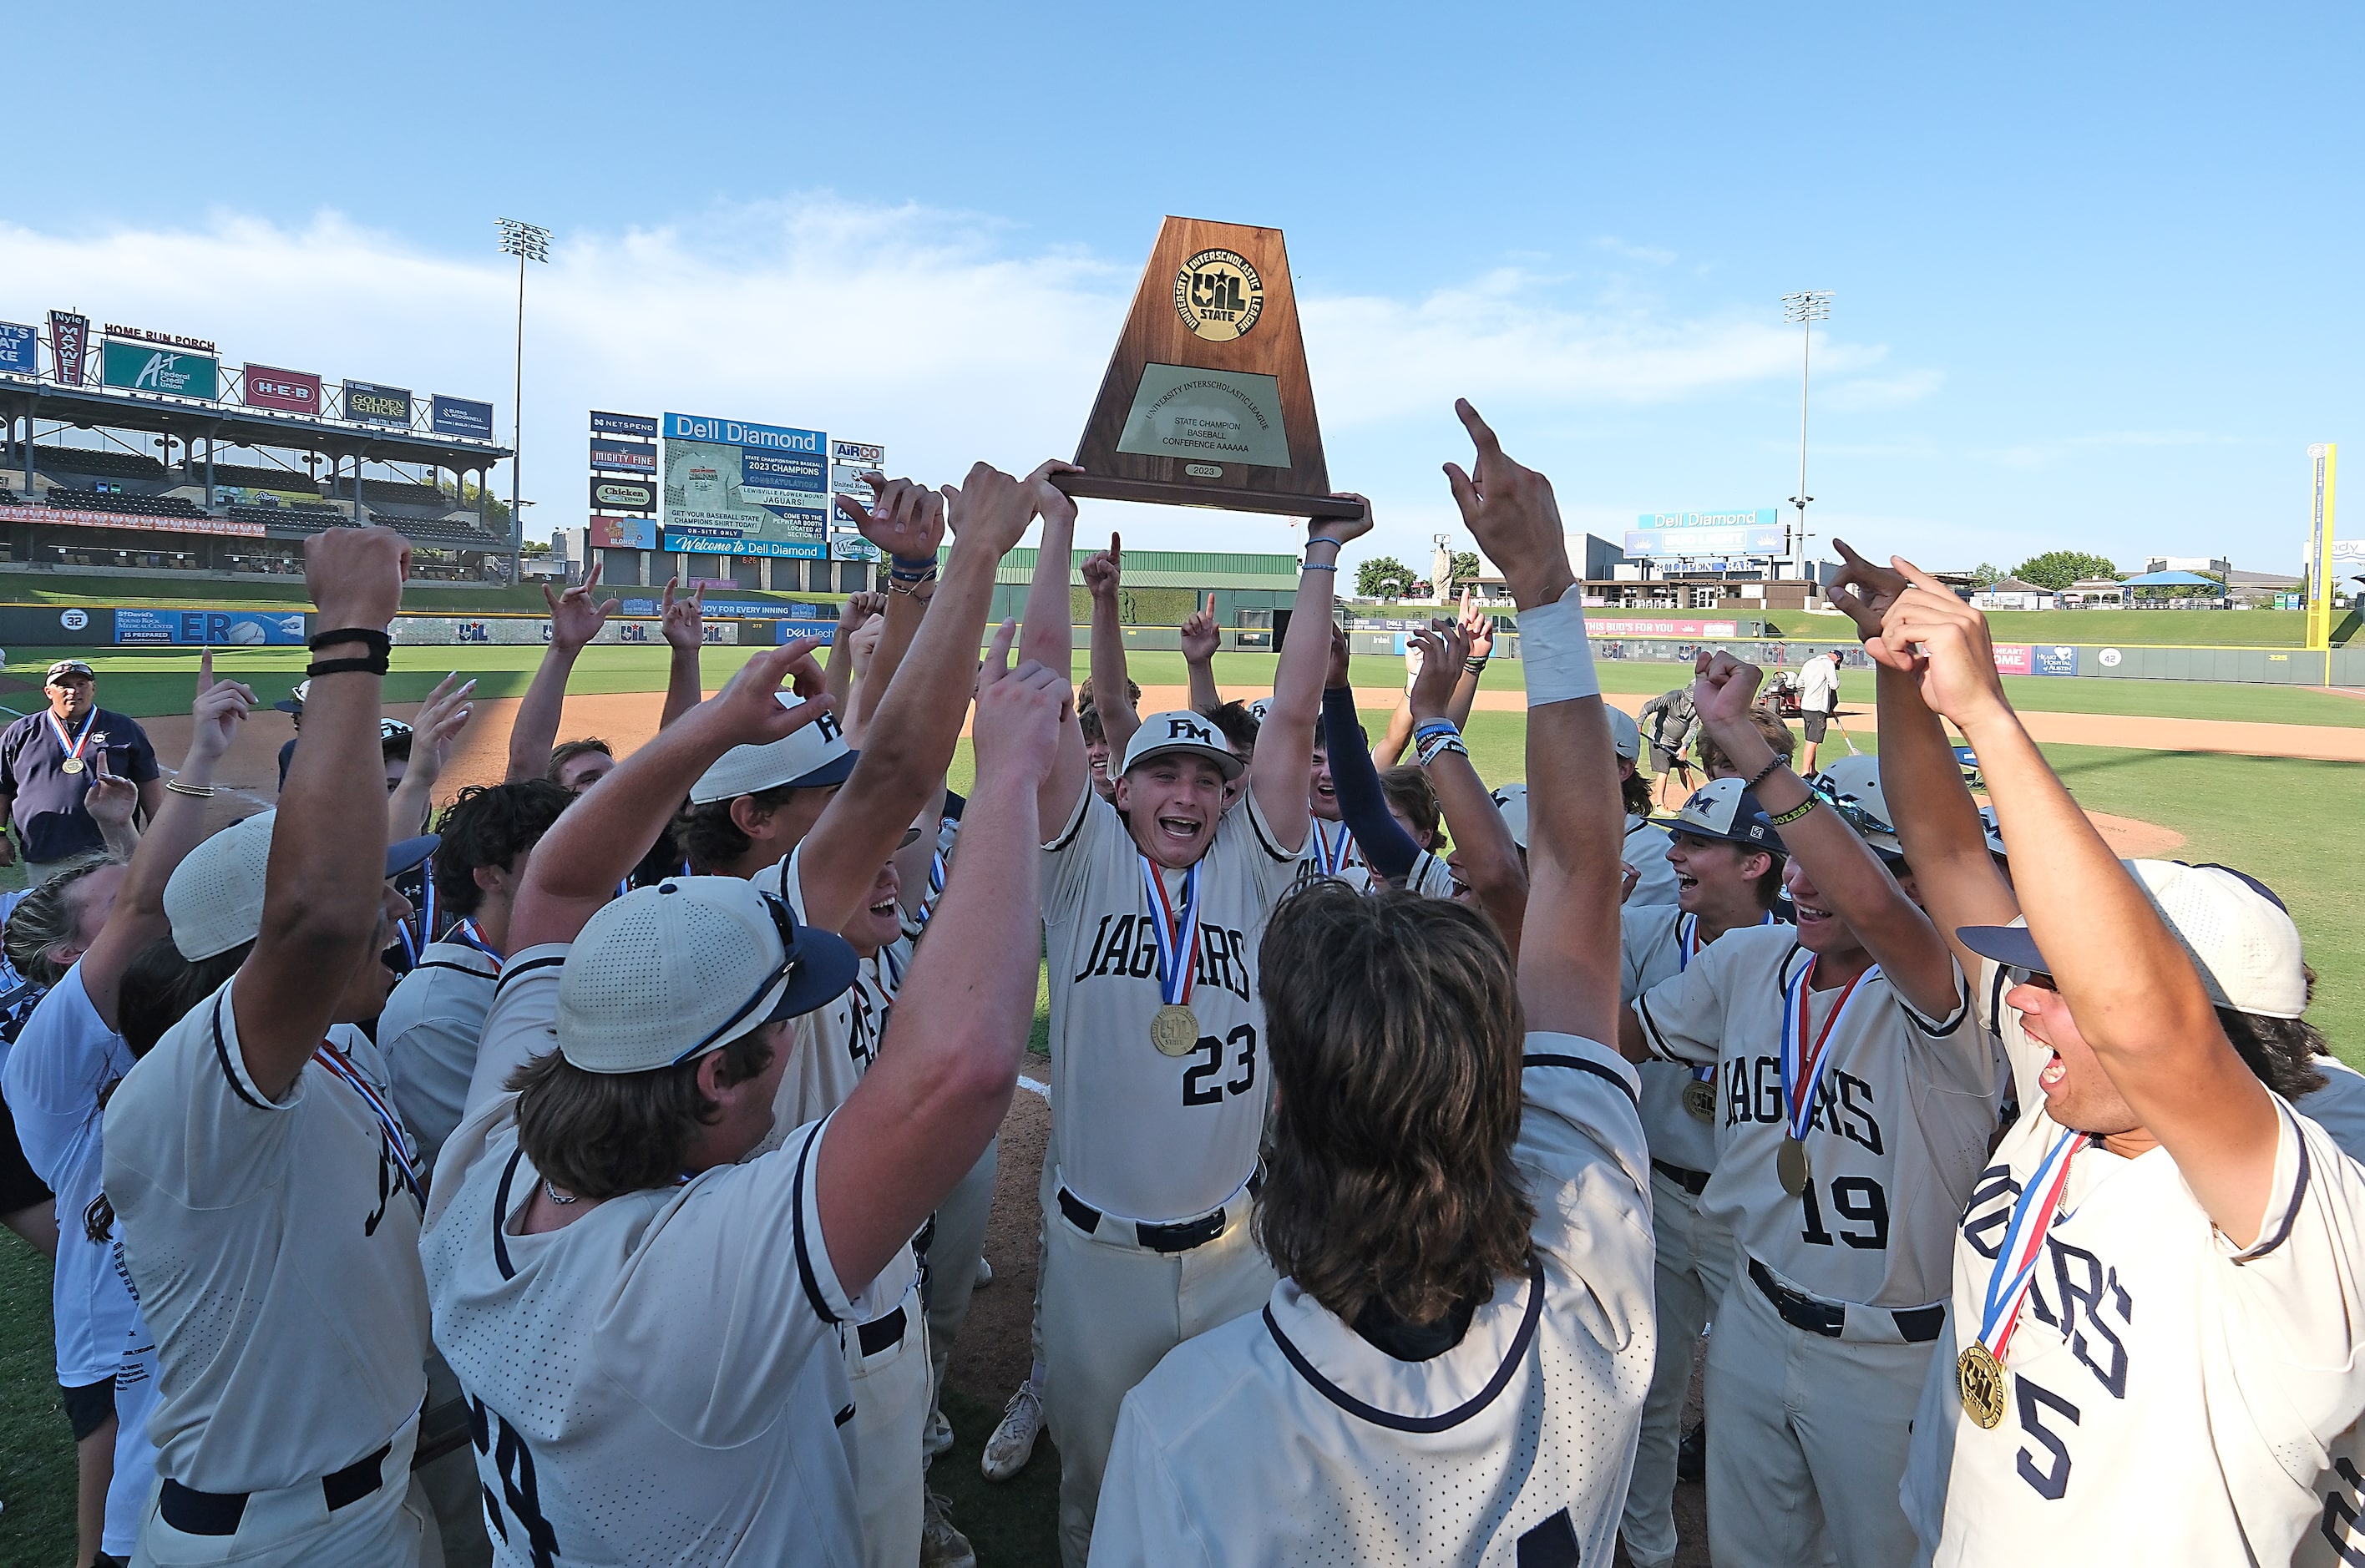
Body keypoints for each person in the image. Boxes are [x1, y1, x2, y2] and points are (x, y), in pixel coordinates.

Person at [1091, 400, 1654, 1567]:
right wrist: (1546, 583)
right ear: (1504, 1096)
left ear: (1284, 1106)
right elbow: (1585, 870)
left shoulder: (1193, 1422)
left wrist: (1537, 601)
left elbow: (1570, 874)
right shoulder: (1597, 1278)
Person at [419, 611, 1060, 1564]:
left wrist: (717, 725)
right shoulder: (695, 1278)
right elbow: (959, 1074)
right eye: (782, 1019)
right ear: (717, 1078)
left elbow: (555, 889)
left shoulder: (490, 1158)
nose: (795, 1035)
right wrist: (1010, 779)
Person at [1819, 549, 2365, 1563]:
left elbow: (2148, 1027)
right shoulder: (2069, 1099)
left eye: (2057, 984)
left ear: (2201, 1023)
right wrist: (1901, 676)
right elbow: (1943, 855)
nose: (2021, 1006)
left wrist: (1990, 714)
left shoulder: (2288, 1214)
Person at [1019, 448, 1347, 1565]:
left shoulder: (1255, 869)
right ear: (1121, 784)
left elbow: (1294, 714)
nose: (1189, 793)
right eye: (1166, 774)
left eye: (1209, 778)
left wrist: (1318, 558)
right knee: (1098, 1493)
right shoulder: (1082, 862)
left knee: (1232, 1482)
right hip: (1097, 1255)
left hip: (1235, 1247)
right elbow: (1039, 685)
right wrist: (1057, 533)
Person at [103, 527, 445, 1565]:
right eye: (377, 889)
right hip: (281, 1539)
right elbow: (322, 918)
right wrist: (350, 637)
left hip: (383, 1487)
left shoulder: (344, 1049)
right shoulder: (193, 1091)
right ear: (261, 955)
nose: (398, 906)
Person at [1619, 648, 1988, 1568]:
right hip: (1749, 1316)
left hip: (1888, 1356)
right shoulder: (1754, 965)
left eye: (1856, 860)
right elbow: (1616, 1035)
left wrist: (1743, 740)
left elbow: (1875, 906)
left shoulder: (1950, 1004)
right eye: (1800, 859)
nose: (1808, 882)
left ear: (1913, 883)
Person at [5, 661, 246, 1568]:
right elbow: (147, 902)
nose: (139, 892)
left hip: (192, 1295)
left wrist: (125, 826)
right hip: (117, 1329)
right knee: (114, 1538)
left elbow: (153, 896)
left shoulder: (160, 999)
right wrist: (201, 755)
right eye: (111, 899)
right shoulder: (50, 1058)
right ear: (73, 954)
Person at [1613, 776, 1786, 1568]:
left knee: (1768, 1405)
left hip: (1752, 1219)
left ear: (1756, 864)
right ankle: (1649, 1549)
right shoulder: (1644, 930)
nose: (1673, 854)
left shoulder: (1803, 961)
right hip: (1651, 1195)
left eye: (1696, 843)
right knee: (1646, 1391)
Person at [377, 780, 574, 1172]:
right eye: (555, 851)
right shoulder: (433, 1017)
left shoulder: (573, 954)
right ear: (490, 876)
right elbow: (493, 1171)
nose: (584, 865)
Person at [0, 660, 163, 883]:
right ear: (49, 692)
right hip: (45, 849)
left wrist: (159, 837)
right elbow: (3, 787)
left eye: (81, 683)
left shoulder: (125, 729)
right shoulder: (21, 733)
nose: (73, 691)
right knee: (50, 915)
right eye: (63, 685)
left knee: (111, 915)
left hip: (110, 850)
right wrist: (0, 833)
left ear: (93, 688)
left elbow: (148, 784)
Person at [1638, 683, 1697, 812]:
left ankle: (1695, 802)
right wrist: (1639, 723)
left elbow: (1693, 728)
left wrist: (1685, 746)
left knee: (1685, 769)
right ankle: (1660, 805)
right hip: (1659, 739)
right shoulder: (1673, 696)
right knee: (1664, 771)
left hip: (1677, 743)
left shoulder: (1698, 706)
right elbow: (1649, 705)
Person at [1796, 645, 1841, 775]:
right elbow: (1834, 685)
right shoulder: (1828, 664)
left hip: (1806, 706)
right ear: (1837, 660)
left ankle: (1812, 770)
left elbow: (1800, 683)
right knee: (1813, 742)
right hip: (1817, 707)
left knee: (1810, 740)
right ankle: (1805, 771)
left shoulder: (1809, 662)